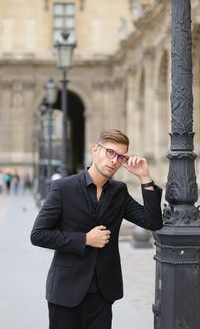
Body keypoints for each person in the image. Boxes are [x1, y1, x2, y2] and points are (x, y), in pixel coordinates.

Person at [30, 129, 163, 329]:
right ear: (95, 149)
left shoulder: (119, 191)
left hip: (103, 292)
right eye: (110, 152)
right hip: (66, 291)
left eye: (120, 157)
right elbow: (38, 235)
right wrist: (84, 239)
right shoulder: (63, 188)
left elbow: (152, 222)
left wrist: (145, 178)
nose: (114, 161)